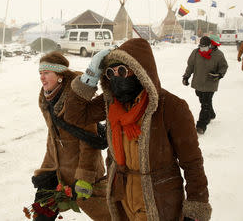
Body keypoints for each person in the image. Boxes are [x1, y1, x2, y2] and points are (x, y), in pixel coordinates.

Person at [65, 39, 212, 221]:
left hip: (159, 203)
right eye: (110, 73)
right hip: (123, 200)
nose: (116, 78)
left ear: (141, 71)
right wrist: (90, 75)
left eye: (122, 71)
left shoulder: (172, 107)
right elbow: (74, 115)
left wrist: (196, 207)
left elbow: (192, 163)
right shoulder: (112, 103)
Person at [32, 51, 111, 221]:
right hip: (57, 170)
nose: (42, 78)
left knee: (107, 215)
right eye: (40, 73)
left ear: (60, 75)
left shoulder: (76, 100)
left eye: (46, 73)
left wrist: (84, 177)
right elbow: (53, 137)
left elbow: (89, 142)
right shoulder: (47, 99)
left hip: (83, 171)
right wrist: (46, 169)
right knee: (41, 213)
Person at [182, 36, 228, 134]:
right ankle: (211, 114)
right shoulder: (196, 53)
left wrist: (219, 75)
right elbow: (190, 66)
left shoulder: (218, 55)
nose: (202, 49)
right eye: (201, 46)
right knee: (202, 99)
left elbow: (224, 66)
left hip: (210, 83)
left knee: (205, 104)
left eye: (204, 47)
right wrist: (186, 77)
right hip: (198, 82)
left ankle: (201, 125)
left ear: (210, 45)